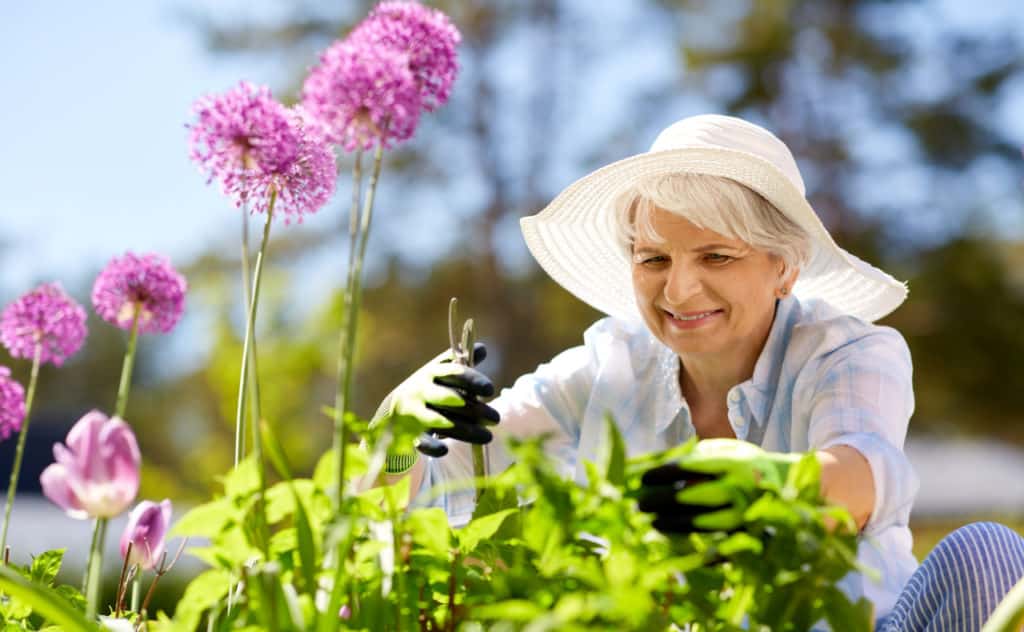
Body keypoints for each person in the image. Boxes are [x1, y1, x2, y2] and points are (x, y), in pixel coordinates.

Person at [372, 114, 1024, 630]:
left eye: (716, 255)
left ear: (784, 267)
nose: (680, 291)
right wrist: (402, 424)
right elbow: (452, 471)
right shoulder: (608, 365)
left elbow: (865, 475)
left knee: (989, 554)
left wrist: (772, 486)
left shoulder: (846, 352)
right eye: (654, 259)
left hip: (856, 626)